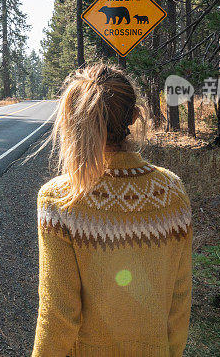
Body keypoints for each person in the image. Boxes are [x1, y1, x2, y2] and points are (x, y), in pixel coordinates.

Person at [32, 64, 192, 357]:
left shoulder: (59, 199)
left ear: (73, 121)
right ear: (134, 117)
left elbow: (58, 314)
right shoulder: (172, 191)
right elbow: (179, 301)